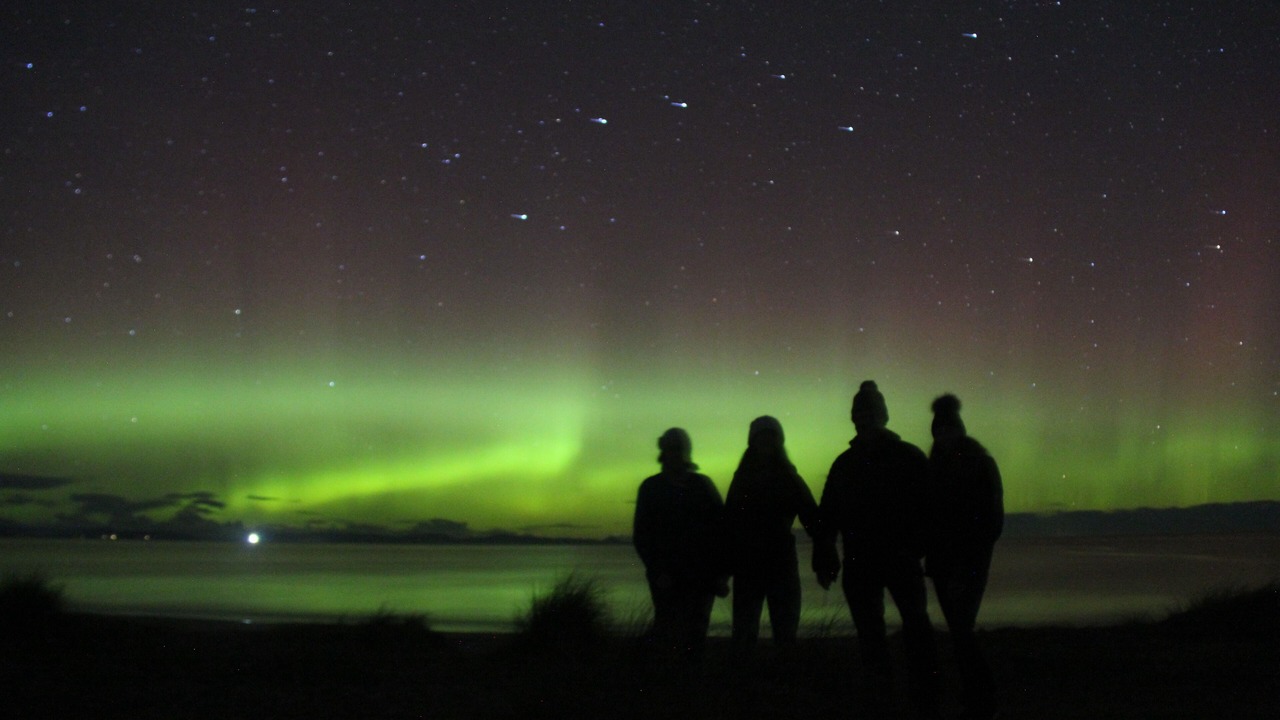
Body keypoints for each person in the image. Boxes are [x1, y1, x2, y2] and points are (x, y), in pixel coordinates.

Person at [813, 380, 940, 716]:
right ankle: (882, 696)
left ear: (882, 416)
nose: (864, 418)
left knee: (916, 626)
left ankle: (925, 694)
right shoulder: (845, 463)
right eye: (859, 413)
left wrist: (919, 549)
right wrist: (824, 556)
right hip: (860, 560)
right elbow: (828, 515)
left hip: (900, 558)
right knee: (871, 634)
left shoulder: (908, 457)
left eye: (870, 412)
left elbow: (930, 507)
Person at [925, 394, 1004, 720]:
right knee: (960, 630)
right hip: (943, 563)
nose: (943, 436)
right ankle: (975, 694)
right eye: (938, 431)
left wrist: (968, 561)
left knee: (961, 629)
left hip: (970, 561)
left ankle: (982, 695)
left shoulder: (980, 464)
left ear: (959, 429)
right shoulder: (933, 469)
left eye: (948, 429)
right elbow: (927, 517)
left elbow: (990, 520)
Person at [723, 415, 820, 649]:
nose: (766, 442)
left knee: (785, 633)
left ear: (778, 442)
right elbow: (727, 526)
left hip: (781, 564)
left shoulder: (789, 478)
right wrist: (722, 571)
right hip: (748, 566)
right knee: (744, 635)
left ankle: (783, 680)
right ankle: (745, 683)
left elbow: (813, 520)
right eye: (760, 437)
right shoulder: (742, 480)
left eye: (770, 437)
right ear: (752, 442)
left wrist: (824, 557)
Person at [633, 427, 728, 658]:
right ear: (663, 452)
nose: (674, 454)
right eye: (670, 449)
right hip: (666, 578)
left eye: (678, 449)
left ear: (686, 453)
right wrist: (657, 570)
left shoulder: (702, 485)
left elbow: (722, 531)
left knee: (695, 636)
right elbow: (642, 535)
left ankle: (690, 686)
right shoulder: (651, 488)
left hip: (701, 576)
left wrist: (721, 575)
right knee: (668, 633)